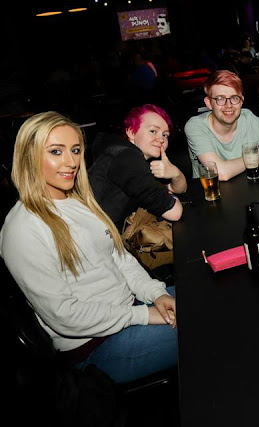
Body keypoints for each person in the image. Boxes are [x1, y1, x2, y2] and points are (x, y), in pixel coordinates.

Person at [0, 111, 177, 384]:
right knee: (210, 326)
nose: (71, 162)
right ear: (29, 156)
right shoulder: (22, 229)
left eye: (75, 150)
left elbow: (119, 258)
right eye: (56, 151)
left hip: (128, 311)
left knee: (209, 297)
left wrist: (156, 293)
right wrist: (143, 314)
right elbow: (64, 315)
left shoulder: (79, 201)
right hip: (95, 348)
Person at [185, 70, 259, 181]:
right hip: (209, 192)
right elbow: (221, 173)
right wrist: (251, 161)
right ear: (209, 103)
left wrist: (257, 162)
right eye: (220, 99)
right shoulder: (195, 126)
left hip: (247, 186)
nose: (228, 105)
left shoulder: (249, 121)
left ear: (241, 101)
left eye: (234, 98)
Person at [89, 104, 186, 230]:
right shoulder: (127, 159)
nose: (161, 139)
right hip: (96, 236)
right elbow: (174, 212)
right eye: (153, 131)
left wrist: (176, 173)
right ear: (131, 132)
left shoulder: (128, 154)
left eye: (165, 135)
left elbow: (180, 189)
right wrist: (167, 195)